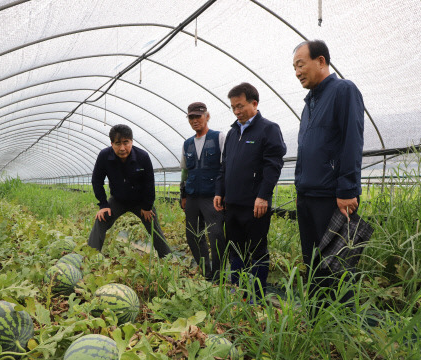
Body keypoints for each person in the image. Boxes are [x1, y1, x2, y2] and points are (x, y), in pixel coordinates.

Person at [292, 40, 364, 305]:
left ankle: (341, 328)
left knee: (338, 265)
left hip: (332, 197)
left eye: (301, 64)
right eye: (294, 67)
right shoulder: (308, 104)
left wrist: (347, 190)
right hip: (308, 196)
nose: (297, 72)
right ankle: (317, 321)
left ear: (321, 61)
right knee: (313, 263)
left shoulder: (343, 90)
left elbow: (352, 140)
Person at [214, 83, 287, 301]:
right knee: (235, 248)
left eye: (240, 106)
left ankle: (256, 296)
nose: (236, 111)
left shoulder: (268, 129)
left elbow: (273, 165)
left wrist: (263, 196)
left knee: (257, 250)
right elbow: (224, 166)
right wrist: (220, 191)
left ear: (254, 103)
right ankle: (238, 291)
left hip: (255, 204)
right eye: (233, 107)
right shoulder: (232, 132)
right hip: (232, 204)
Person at [87, 124, 172, 258]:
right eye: (117, 143)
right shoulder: (104, 156)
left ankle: (167, 259)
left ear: (131, 141)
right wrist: (103, 205)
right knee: (101, 220)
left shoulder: (142, 156)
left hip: (140, 201)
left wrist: (147, 206)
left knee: (153, 226)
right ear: (111, 143)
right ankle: (90, 257)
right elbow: (97, 181)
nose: (122, 148)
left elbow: (149, 182)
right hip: (118, 200)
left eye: (126, 143)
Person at [180, 102, 226, 281]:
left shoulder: (218, 137)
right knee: (192, 234)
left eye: (198, 116)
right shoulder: (187, 143)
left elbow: (225, 167)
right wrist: (183, 195)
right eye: (191, 117)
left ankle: (218, 273)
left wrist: (222, 193)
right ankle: (205, 269)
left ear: (207, 116)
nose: (194, 120)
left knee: (216, 235)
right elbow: (185, 171)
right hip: (192, 196)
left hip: (212, 196)